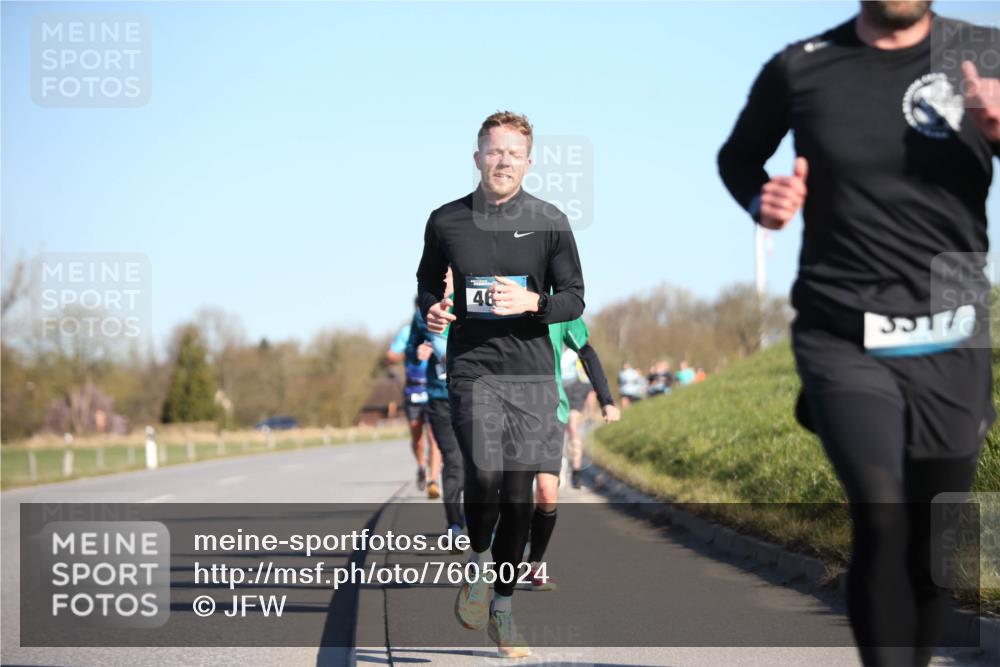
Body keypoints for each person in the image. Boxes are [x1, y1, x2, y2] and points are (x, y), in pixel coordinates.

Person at [718, 3, 1000, 665]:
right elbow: (737, 159)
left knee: (938, 549)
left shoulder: (981, 50)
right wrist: (764, 197)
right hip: (842, 327)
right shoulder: (800, 66)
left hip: (952, 325)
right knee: (881, 514)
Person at [417, 111, 585, 658]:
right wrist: (434, 309)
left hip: (532, 372)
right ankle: (478, 565)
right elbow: (425, 284)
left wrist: (536, 302)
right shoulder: (446, 222)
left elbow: (575, 297)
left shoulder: (550, 220)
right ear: (477, 156)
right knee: (483, 475)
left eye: (514, 151)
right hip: (473, 366)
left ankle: (503, 608)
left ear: (529, 162)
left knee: (519, 498)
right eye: (494, 149)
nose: (503, 159)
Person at [525, 317, 620, 592]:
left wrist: (606, 399)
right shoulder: (505, 293)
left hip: (552, 412)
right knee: (513, 497)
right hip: (509, 412)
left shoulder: (560, 304)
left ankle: (535, 564)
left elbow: (586, 352)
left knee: (546, 491)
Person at [405, 270, 465, 546]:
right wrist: (417, 353)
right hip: (440, 397)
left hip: (472, 396)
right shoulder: (423, 314)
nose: (443, 282)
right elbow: (411, 348)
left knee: (476, 464)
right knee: (452, 460)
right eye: (439, 276)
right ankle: (454, 525)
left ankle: (479, 522)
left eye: (448, 276)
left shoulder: (471, 305)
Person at [387, 302, 443, 498]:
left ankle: (433, 479)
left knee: (435, 437)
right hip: (414, 387)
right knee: (417, 436)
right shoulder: (407, 331)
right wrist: (413, 351)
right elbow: (391, 355)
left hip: (433, 386)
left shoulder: (444, 323)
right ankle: (421, 465)